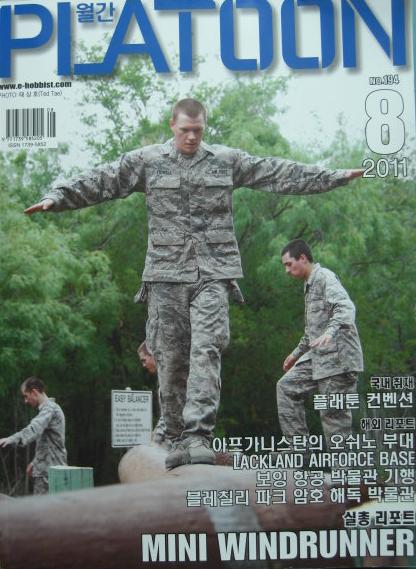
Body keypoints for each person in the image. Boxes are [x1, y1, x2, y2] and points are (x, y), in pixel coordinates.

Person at [25, 98, 363, 469]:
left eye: (197, 130)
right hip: (165, 275)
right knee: (170, 357)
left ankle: (199, 435)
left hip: (213, 273)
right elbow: (104, 179)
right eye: (185, 130)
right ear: (172, 126)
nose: (191, 137)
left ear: (204, 127)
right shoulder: (148, 161)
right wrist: (57, 196)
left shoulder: (225, 160)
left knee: (207, 349)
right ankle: (173, 431)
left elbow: (275, 171)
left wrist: (333, 177)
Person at [276, 239, 363, 450]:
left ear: (303, 258)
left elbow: (346, 308)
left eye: (289, 264)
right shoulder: (309, 284)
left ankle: (343, 469)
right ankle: (298, 450)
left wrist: (330, 332)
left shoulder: (325, 277)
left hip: (339, 360)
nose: (287, 270)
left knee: (334, 417)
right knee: (286, 387)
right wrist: (295, 354)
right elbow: (312, 331)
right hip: (319, 358)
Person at [0, 377, 67, 495]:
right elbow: (47, 444)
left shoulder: (50, 409)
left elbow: (33, 429)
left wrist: (11, 439)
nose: (25, 401)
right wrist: (35, 462)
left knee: (44, 507)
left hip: (50, 473)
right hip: (50, 471)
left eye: (26, 396)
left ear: (35, 392)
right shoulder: (49, 409)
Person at [137, 341, 171, 450]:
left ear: (153, 354)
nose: (143, 365)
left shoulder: (169, 375)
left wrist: (156, 438)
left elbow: (170, 413)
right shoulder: (164, 374)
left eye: (144, 360)